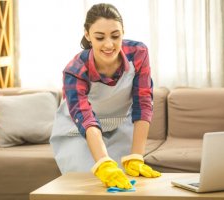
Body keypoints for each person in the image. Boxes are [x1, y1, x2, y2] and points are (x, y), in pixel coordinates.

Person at [50, 3, 161, 189]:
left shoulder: (138, 54)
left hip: (119, 127)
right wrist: (103, 162)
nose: (109, 44)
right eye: (100, 37)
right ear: (88, 35)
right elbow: (86, 118)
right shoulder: (75, 70)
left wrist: (136, 156)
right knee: (94, 184)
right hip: (78, 132)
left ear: (123, 32)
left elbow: (143, 103)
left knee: (128, 183)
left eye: (115, 36)